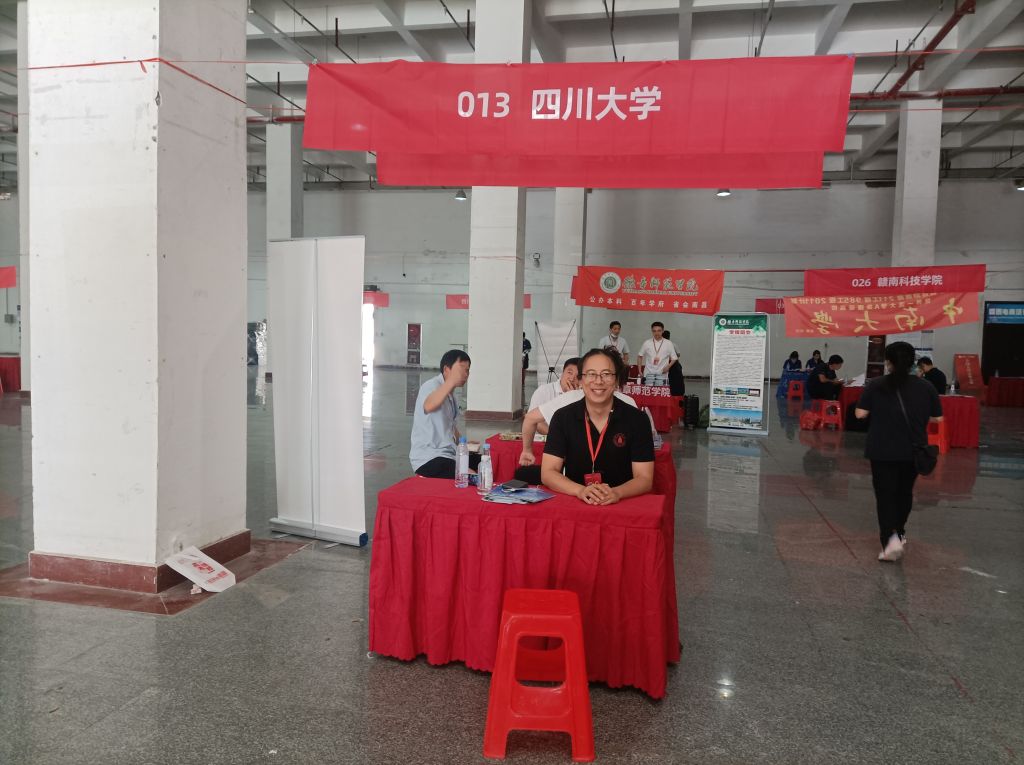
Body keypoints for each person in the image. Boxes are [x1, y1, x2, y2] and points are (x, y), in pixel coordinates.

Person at [855, 341, 943, 562]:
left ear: (888, 362)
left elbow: (859, 414)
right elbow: (937, 418)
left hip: (882, 449)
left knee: (885, 495)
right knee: (904, 493)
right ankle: (900, 531)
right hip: (913, 450)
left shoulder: (877, 385)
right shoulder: (926, 387)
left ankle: (890, 541)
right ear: (913, 362)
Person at [541, 348, 654, 505]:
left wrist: (617, 492)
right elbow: (548, 472)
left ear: (616, 380)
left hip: (622, 505)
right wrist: (580, 491)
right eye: (591, 374)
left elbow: (645, 478)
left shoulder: (637, 420)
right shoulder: (562, 417)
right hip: (576, 503)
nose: (599, 381)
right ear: (580, 380)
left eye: (606, 374)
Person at [409, 349, 481, 478]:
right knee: (471, 476)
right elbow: (429, 405)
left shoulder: (451, 395)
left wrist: (464, 443)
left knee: (483, 462)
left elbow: (450, 426)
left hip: (447, 454)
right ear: (446, 369)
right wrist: (451, 381)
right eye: (461, 369)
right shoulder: (431, 386)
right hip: (429, 458)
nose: (465, 374)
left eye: (467, 370)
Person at [637, 322, 678, 387]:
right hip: (648, 374)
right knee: (648, 391)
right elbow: (640, 356)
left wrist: (668, 367)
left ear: (663, 331)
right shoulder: (647, 343)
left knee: (660, 391)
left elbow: (674, 358)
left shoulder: (668, 343)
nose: (657, 333)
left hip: (662, 374)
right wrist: (639, 370)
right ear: (652, 331)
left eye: (659, 331)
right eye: (654, 331)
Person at [662, 330, 686, 396]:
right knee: (676, 379)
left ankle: (666, 392)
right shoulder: (673, 344)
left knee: (666, 379)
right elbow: (678, 354)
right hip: (674, 364)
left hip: (668, 364)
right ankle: (676, 392)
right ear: (669, 337)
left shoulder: (661, 345)